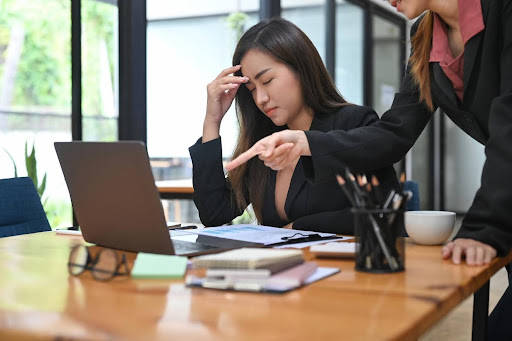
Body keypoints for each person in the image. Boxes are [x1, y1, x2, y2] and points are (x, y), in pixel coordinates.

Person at [226, 0, 512, 338]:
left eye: (268, 80)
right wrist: (308, 144)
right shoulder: (424, 35)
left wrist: (482, 228)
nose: (260, 99)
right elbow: (395, 133)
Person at [189, 18, 399, 234]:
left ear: (301, 68)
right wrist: (212, 121)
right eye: (251, 88)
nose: (260, 98)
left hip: (344, 265)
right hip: (282, 265)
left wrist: (298, 227)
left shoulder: (353, 123)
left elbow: (384, 212)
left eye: (267, 80)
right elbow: (214, 213)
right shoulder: (266, 141)